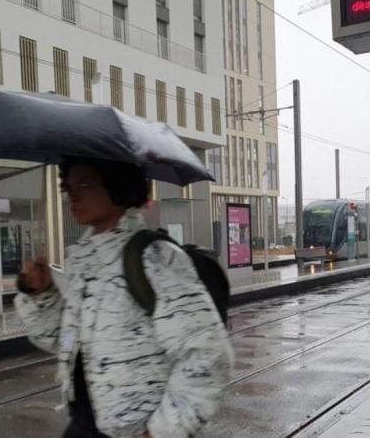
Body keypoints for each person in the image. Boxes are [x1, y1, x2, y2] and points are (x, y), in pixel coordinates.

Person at [16, 158, 233, 438]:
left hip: (139, 429)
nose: (73, 195)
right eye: (68, 186)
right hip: (87, 422)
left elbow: (209, 354)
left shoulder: (154, 257)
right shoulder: (84, 260)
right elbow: (62, 341)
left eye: (85, 184)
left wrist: (160, 432)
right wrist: (42, 293)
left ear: (118, 186)